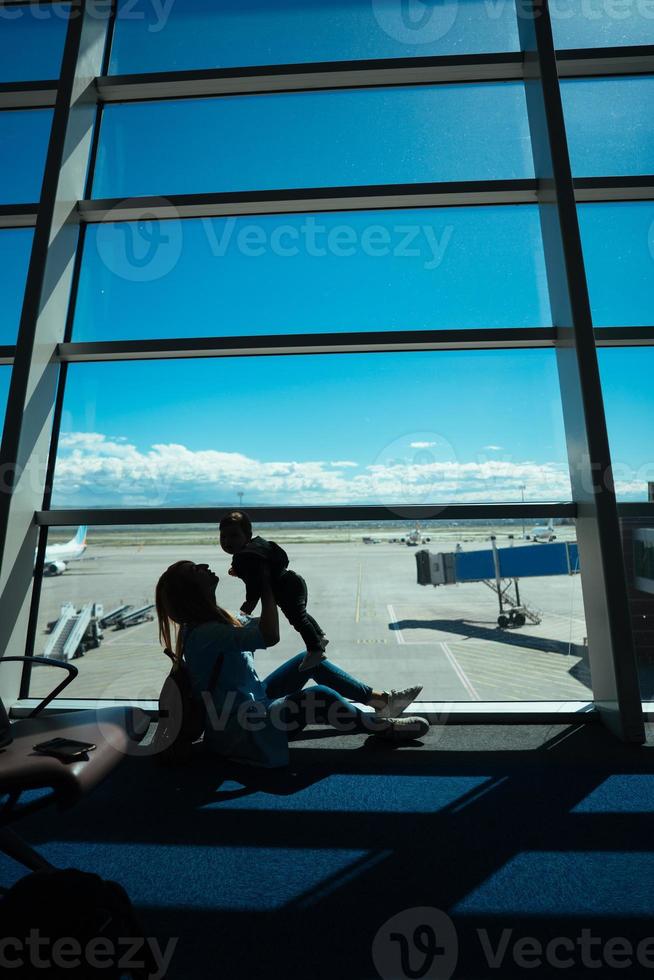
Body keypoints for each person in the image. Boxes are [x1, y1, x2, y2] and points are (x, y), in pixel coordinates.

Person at [155, 560, 428, 769]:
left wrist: (258, 584)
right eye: (195, 571)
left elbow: (253, 623)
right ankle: (381, 727)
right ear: (192, 592)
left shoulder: (211, 623)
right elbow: (269, 635)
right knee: (320, 697)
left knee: (307, 662)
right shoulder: (206, 633)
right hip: (244, 728)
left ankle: (381, 701)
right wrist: (266, 588)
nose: (204, 566)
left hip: (252, 703)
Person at [218, 510, 327, 671]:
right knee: (298, 614)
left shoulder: (243, 558)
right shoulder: (259, 545)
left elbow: (254, 585)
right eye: (223, 537)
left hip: (286, 588)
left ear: (247, 536)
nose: (227, 541)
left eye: (234, 535)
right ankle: (318, 636)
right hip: (292, 580)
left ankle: (315, 650)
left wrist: (247, 606)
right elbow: (281, 558)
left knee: (297, 618)